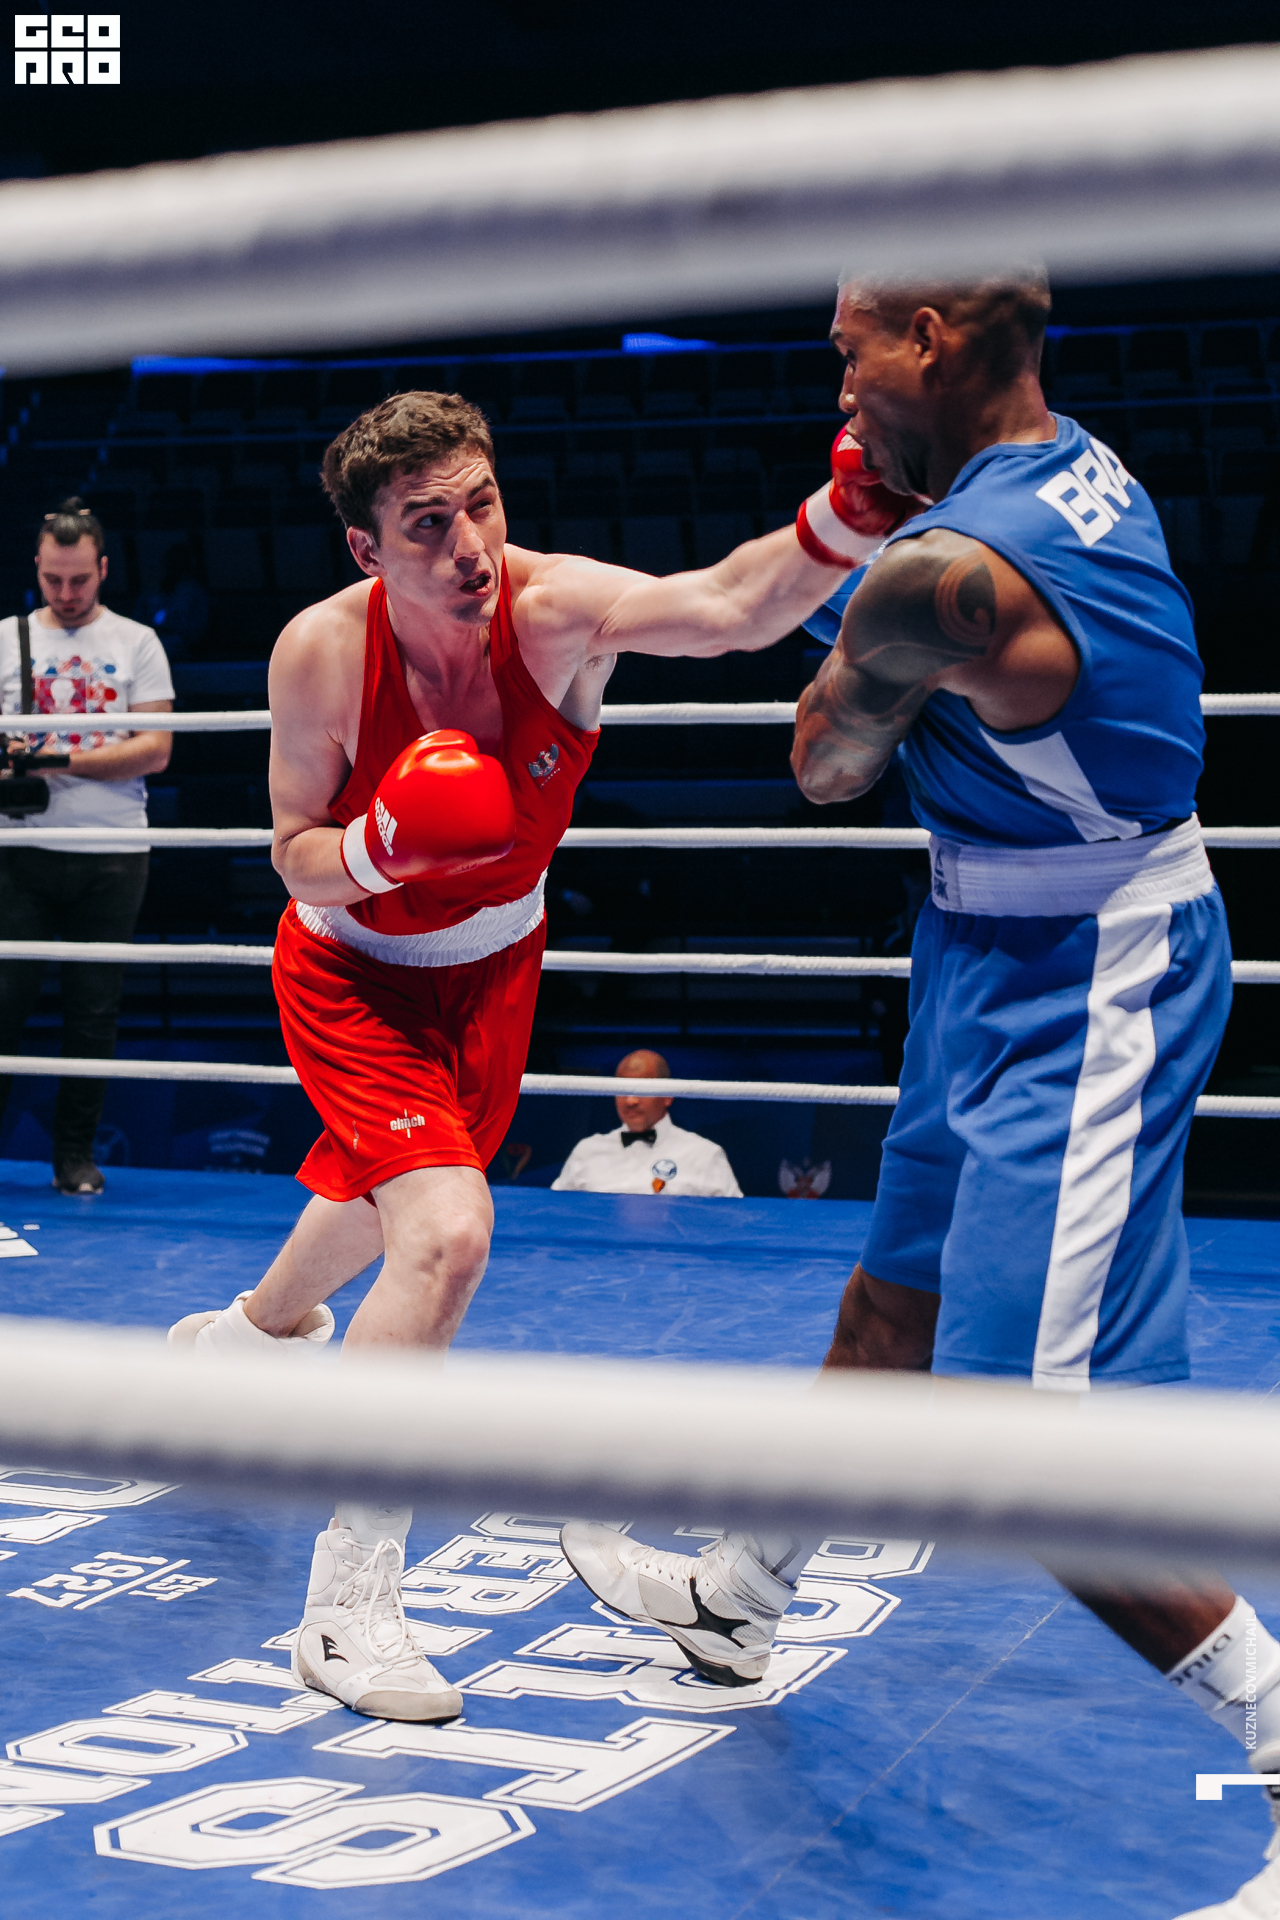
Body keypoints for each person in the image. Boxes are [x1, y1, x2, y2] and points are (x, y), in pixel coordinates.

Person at [559, 274, 1280, 1920]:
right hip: (987, 940)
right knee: (892, 1306)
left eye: (850, 354)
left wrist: (865, 593)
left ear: (930, 342)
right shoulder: (1072, 466)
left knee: (1024, 1450)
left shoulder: (947, 572)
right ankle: (739, 1599)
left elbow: (822, 766)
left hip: (1088, 971)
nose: (839, 387)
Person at [168, 388, 879, 1726]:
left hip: (496, 972)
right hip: (350, 972)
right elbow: (293, 850)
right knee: (444, 1234)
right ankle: (346, 1607)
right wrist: (382, 845)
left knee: (382, 1197)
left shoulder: (552, 613)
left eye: (481, 506)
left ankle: (250, 1340)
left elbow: (731, 607)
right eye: (426, 525)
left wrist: (848, 515)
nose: (469, 548)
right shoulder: (320, 652)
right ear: (367, 548)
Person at [0, 498, 173, 1195]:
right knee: (3, 1004)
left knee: (94, 1010)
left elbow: (156, 749)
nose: (66, 593)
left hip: (113, 850)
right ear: (36, 570)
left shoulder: (137, 642)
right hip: (19, 849)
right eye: (53, 579)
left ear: (102, 569)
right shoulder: (4, 640)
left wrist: (55, 760)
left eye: (79, 579)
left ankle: (74, 1158)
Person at [552, 1046, 743, 1196]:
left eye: (641, 1089)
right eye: (622, 1089)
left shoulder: (704, 1155)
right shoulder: (586, 1152)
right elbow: (556, 1214)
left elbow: (734, 1222)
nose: (630, 1101)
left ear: (667, 1095)